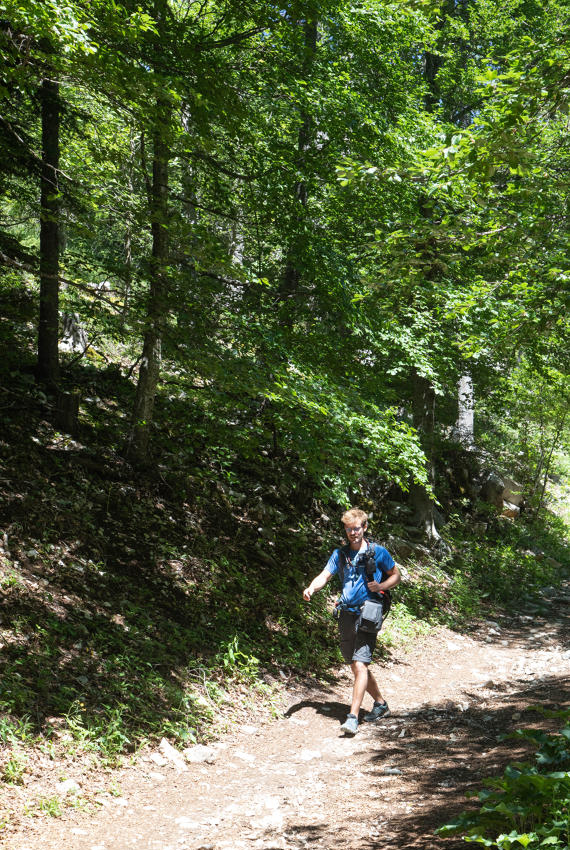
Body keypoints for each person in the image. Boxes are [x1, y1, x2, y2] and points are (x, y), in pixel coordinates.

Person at [303, 508, 401, 736]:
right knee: (357, 665)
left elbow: (396, 575)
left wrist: (382, 586)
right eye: (349, 529)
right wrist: (311, 588)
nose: (353, 533)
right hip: (346, 613)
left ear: (364, 527)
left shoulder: (378, 552)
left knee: (359, 664)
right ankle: (380, 703)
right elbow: (324, 575)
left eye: (356, 528)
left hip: (369, 612)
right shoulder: (340, 554)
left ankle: (352, 717)